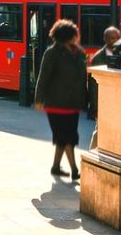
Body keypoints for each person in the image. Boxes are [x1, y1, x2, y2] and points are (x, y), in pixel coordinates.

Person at [34, 19, 87, 181]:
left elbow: (82, 77)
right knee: (66, 137)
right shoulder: (52, 53)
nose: (77, 36)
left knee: (64, 137)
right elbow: (43, 77)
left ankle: (56, 167)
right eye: (74, 34)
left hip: (73, 103)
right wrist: (38, 99)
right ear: (67, 36)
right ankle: (74, 169)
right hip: (56, 103)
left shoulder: (78, 53)